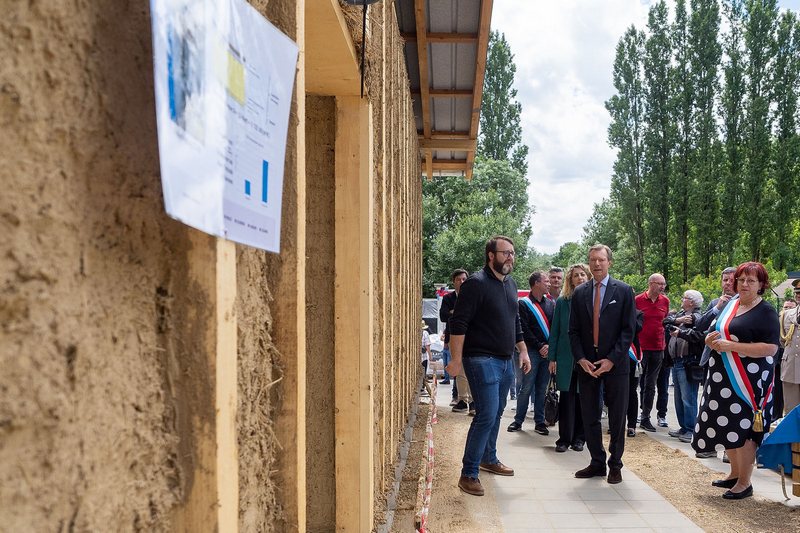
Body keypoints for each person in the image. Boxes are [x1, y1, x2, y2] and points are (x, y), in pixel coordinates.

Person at [446, 236, 532, 497]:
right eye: (505, 253)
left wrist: (524, 352)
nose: (510, 258)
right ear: (491, 256)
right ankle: (468, 473)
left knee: (496, 413)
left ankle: (488, 458)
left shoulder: (511, 284)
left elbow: (515, 321)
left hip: (506, 360)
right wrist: (456, 360)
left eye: (513, 253)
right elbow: (458, 324)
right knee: (486, 414)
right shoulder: (476, 283)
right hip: (480, 359)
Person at [693, 262, 780, 500]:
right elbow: (714, 331)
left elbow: (771, 348)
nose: (744, 284)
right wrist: (710, 341)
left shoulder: (766, 311)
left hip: (749, 383)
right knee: (726, 426)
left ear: (761, 285)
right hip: (722, 378)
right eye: (741, 280)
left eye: (751, 281)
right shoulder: (731, 304)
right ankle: (733, 473)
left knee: (743, 430)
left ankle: (745, 482)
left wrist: (732, 346)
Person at [568, 244, 636, 484]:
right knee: (589, 415)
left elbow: (628, 331)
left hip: (615, 365)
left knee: (618, 416)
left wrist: (612, 360)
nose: (596, 264)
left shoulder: (625, 291)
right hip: (587, 364)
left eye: (601, 260)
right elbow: (573, 331)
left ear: (609, 262)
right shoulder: (580, 293)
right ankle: (597, 462)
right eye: (592, 260)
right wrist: (580, 359)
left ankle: (615, 464)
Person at [549, 264, 590, 452]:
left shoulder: (594, 300)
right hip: (566, 359)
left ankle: (580, 438)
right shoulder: (563, 302)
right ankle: (564, 439)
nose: (580, 278)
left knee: (584, 400)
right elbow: (555, 331)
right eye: (576, 275)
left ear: (588, 277)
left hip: (587, 359)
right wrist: (552, 358)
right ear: (570, 279)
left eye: (583, 275)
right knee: (567, 399)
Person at [508, 271, 555, 435]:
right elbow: (524, 329)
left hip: (547, 353)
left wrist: (549, 346)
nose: (549, 284)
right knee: (526, 387)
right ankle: (518, 420)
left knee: (542, 389)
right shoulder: (523, 304)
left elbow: (555, 328)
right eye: (546, 281)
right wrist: (540, 345)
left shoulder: (551, 304)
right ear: (536, 283)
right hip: (532, 352)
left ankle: (540, 422)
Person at [665, 290, 704, 443]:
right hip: (677, 361)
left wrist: (680, 331)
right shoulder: (681, 315)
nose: (682, 299)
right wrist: (678, 320)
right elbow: (666, 321)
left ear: (692, 302)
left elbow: (698, 335)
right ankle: (683, 426)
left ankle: (690, 428)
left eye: (685, 297)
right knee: (679, 398)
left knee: (688, 397)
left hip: (688, 361)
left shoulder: (697, 317)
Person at [635, 274, 670, 432]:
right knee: (634, 383)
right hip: (639, 348)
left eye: (664, 284)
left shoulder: (665, 301)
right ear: (651, 284)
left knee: (650, 385)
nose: (662, 287)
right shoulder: (637, 300)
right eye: (660, 284)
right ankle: (631, 416)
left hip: (658, 348)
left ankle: (645, 417)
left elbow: (665, 321)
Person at [440, 269, 470, 411]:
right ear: (454, 282)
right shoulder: (448, 298)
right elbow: (443, 316)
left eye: (464, 279)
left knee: (471, 368)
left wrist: (454, 312)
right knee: (459, 369)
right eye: (459, 279)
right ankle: (463, 400)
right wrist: (458, 313)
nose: (462, 282)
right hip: (453, 338)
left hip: (471, 337)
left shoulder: (473, 296)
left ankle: (474, 401)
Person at [781, 298, 800, 415]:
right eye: (798, 293)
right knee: (791, 411)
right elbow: (782, 341)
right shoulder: (786, 315)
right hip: (790, 368)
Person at [421, 320, 431, 391]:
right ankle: (422, 386)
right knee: (423, 371)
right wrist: (430, 356)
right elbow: (427, 345)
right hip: (423, 356)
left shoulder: (414, 332)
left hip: (415, 358)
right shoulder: (425, 333)